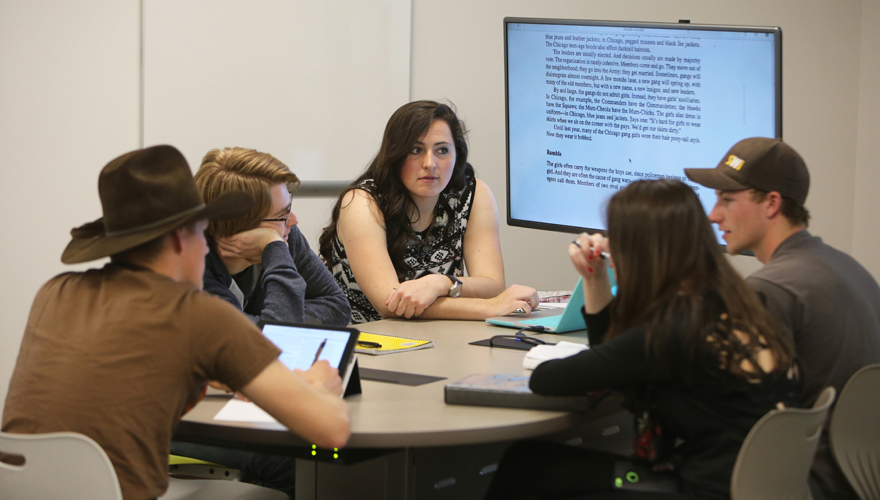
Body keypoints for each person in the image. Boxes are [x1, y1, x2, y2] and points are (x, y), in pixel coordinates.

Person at [1, 146, 350, 500]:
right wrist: (318, 385)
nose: (207, 246)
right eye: (202, 234)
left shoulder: (55, 292)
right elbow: (332, 430)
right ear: (178, 239)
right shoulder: (196, 314)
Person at [485, 179, 798, 500]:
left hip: (699, 489)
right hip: (746, 484)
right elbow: (610, 357)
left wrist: (596, 279)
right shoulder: (734, 302)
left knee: (524, 467)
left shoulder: (668, 333)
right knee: (529, 462)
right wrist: (595, 279)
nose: (611, 250)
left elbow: (548, 379)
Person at [685, 137, 880, 500]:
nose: (713, 215)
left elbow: (729, 407)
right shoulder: (847, 267)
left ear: (772, 203)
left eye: (727, 200)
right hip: (860, 475)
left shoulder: (772, 289)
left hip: (806, 480)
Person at [318, 100, 538, 323]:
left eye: (442, 150)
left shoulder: (472, 193)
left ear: (457, 155)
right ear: (395, 155)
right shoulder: (362, 203)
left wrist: (441, 283)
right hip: (368, 342)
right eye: (416, 150)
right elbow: (391, 305)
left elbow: (492, 284)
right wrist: (488, 308)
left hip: (439, 337)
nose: (430, 163)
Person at [194, 147, 350, 326]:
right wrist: (274, 248)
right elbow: (276, 337)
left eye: (289, 209)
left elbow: (337, 306)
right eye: (282, 215)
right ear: (240, 225)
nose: (293, 221)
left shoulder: (286, 236)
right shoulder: (191, 272)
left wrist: (265, 320)